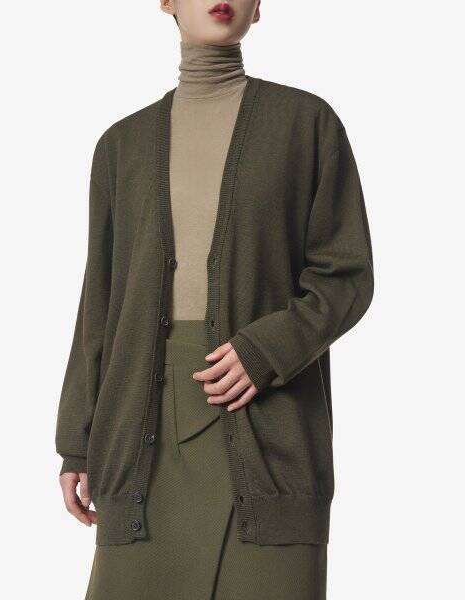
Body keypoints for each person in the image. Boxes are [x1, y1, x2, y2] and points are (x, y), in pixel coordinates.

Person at [55, 1, 374, 598]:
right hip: (137, 432)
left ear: (259, 6)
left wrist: (266, 350)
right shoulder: (119, 146)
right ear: (167, 1)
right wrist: (77, 438)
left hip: (270, 430)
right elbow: (98, 302)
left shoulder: (307, 124)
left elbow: (346, 275)